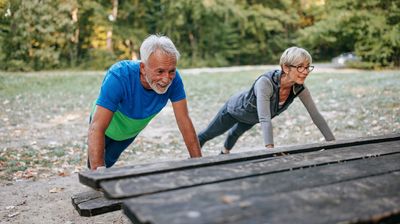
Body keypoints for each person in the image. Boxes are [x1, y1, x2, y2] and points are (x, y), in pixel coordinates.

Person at [87, 34, 202, 170]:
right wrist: (98, 174)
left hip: (129, 131)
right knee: (95, 166)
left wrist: (199, 164)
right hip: (106, 127)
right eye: (160, 71)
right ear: (143, 68)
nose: (166, 79)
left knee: (109, 160)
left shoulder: (175, 80)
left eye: (171, 71)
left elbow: (184, 120)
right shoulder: (119, 76)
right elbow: (97, 127)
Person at [198, 46, 335, 154]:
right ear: (285, 68)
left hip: (252, 117)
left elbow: (315, 115)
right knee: (207, 134)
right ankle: (192, 159)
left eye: (307, 67)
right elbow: (265, 119)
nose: (305, 72)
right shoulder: (266, 83)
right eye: (300, 67)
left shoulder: (299, 88)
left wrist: (333, 144)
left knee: (235, 133)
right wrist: (271, 150)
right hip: (234, 110)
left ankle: (223, 154)